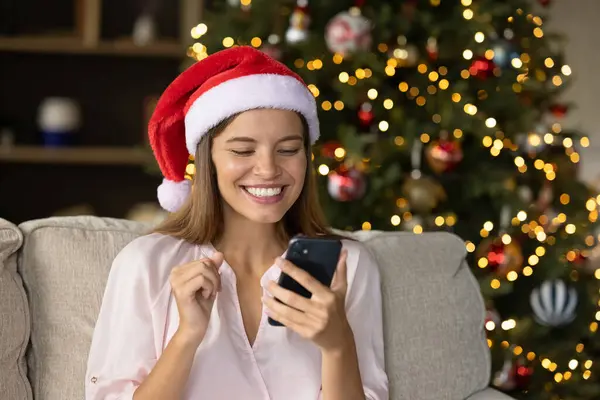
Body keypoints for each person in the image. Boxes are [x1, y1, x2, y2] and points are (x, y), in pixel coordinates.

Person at [85, 46, 388, 400]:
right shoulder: (145, 263)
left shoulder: (348, 266)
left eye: (288, 150)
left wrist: (338, 346)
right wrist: (187, 336)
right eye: (243, 151)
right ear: (207, 160)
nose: (268, 169)